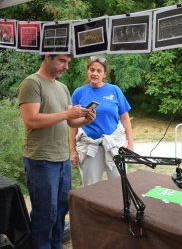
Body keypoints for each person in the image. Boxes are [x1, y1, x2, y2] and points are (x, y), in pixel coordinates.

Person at [17, 54, 95, 249]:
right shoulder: (32, 83)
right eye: (62, 61)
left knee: (61, 210)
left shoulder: (62, 88)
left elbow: (69, 121)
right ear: (47, 57)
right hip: (41, 160)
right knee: (45, 213)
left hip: (62, 160)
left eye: (68, 62)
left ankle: (56, 245)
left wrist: (85, 119)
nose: (66, 66)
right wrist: (67, 113)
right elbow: (31, 120)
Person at [69, 56, 133, 187]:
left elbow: (125, 118)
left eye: (99, 71)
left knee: (120, 186)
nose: (95, 73)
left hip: (114, 145)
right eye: (92, 69)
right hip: (90, 147)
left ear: (104, 74)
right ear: (87, 71)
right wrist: (72, 150)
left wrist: (130, 144)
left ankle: (118, 208)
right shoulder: (79, 93)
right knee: (91, 188)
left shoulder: (115, 90)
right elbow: (72, 124)